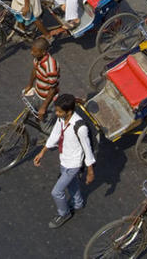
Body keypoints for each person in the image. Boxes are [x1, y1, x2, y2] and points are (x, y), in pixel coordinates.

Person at [33, 94, 95, 229]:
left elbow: (88, 150)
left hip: (73, 164)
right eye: (56, 110)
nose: (56, 113)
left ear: (69, 111)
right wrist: (43, 151)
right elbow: (55, 134)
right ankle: (78, 203)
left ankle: (64, 213)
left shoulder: (80, 128)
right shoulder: (62, 119)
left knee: (56, 192)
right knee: (72, 184)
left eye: (59, 111)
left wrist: (90, 172)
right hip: (64, 158)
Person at [22, 37, 58, 123]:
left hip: (47, 99)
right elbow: (35, 70)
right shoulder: (37, 59)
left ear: (43, 52)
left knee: (45, 125)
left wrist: (44, 107)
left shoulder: (50, 67)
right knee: (33, 114)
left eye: (35, 51)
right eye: (32, 50)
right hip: (38, 93)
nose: (31, 53)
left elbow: (53, 89)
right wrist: (30, 85)